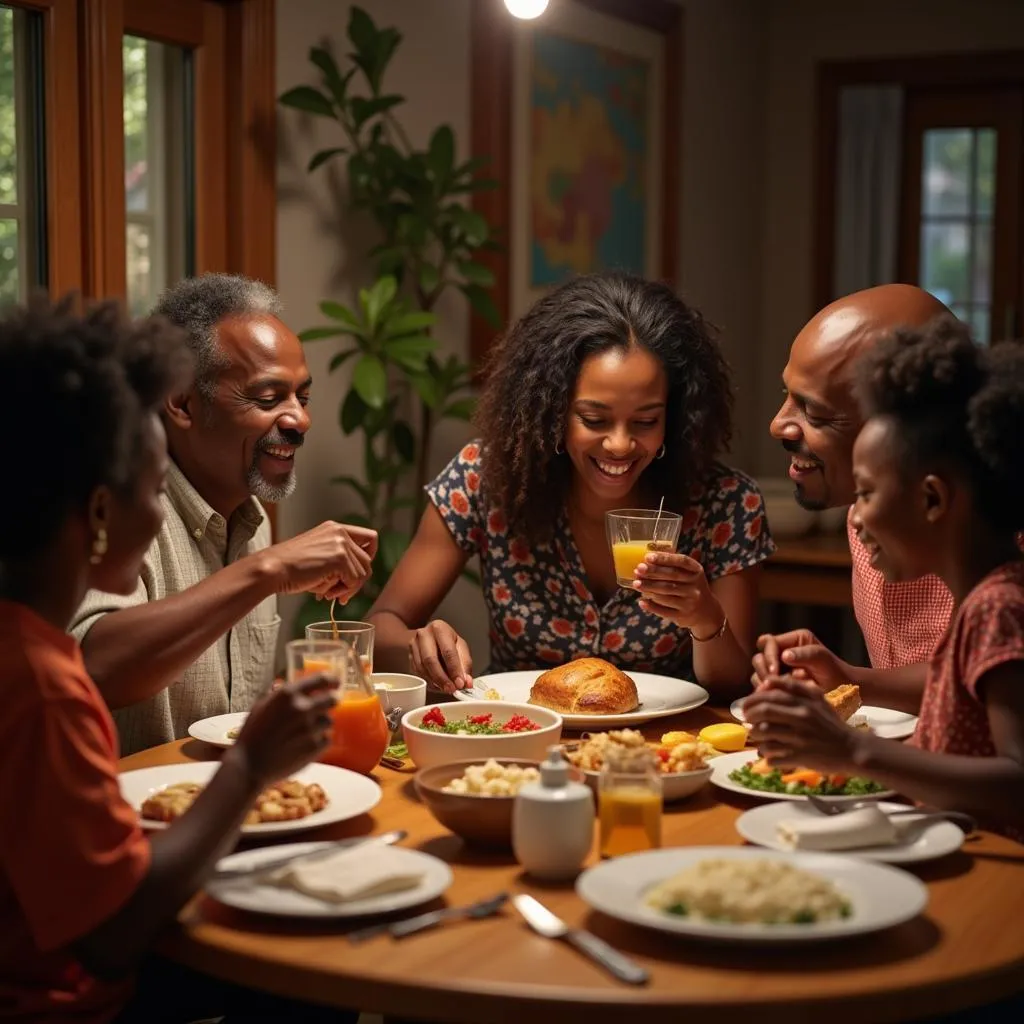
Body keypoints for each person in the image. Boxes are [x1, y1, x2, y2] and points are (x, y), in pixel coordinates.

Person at [0, 295, 349, 1022]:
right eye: (153, 489)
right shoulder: (39, 681)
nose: (160, 509)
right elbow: (109, 938)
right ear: (99, 513)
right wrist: (251, 768)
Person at [369, 272, 774, 695]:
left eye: (646, 421)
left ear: (674, 416)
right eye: (594, 420)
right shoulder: (483, 478)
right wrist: (420, 646)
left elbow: (734, 689)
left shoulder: (726, 505)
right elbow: (381, 629)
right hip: (519, 739)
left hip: (665, 749)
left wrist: (705, 619)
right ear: (553, 410)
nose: (620, 444)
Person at [70, 274, 377, 754]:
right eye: (268, 398)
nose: (300, 420)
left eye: (303, 397)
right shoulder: (119, 509)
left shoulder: (250, 520)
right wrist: (268, 571)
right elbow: (92, 667)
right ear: (183, 403)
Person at [745, 316, 1024, 842]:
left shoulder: (998, 606)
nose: (857, 517)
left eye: (868, 494)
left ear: (933, 500)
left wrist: (851, 749)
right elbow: (966, 689)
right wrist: (849, 678)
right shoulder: (984, 599)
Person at [752, 284, 955, 714]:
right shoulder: (858, 516)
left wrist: (850, 680)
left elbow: (987, 683)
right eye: (785, 395)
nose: (778, 425)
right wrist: (840, 676)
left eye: (815, 412)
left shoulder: (1000, 539)